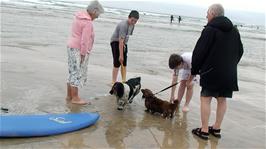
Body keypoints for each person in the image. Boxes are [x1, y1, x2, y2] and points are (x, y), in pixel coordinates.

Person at [191, 4, 243, 140]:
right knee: (222, 99)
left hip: (211, 71)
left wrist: (195, 70)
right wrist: (230, 65)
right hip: (229, 73)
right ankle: (216, 128)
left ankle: (203, 130)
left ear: (213, 14)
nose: (206, 16)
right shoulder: (235, 31)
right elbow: (240, 51)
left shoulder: (210, 29)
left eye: (207, 13)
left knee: (205, 98)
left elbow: (199, 52)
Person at [66, 1, 104, 105]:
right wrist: (83, 54)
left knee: (72, 71)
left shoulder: (78, 17)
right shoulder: (88, 22)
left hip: (71, 46)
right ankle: (75, 97)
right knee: (77, 73)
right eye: (98, 14)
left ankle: (69, 96)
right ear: (94, 11)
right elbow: (84, 40)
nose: (98, 17)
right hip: (78, 49)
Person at [110, 10, 139, 84]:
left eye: (135, 21)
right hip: (115, 42)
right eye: (132, 20)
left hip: (123, 43)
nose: (133, 22)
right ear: (128, 17)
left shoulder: (132, 25)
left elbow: (127, 37)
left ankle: (123, 80)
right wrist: (121, 55)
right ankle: (113, 82)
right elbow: (120, 40)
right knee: (117, 62)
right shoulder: (123, 25)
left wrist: (124, 48)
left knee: (124, 62)